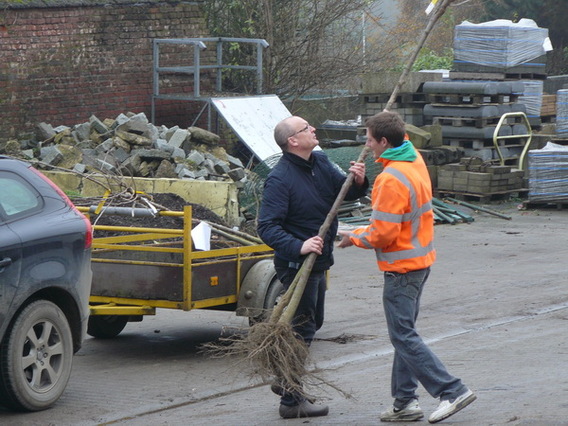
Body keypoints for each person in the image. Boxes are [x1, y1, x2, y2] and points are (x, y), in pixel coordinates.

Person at [337, 111, 476, 424]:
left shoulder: (390, 179)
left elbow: (381, 234)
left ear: (385, 142)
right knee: (405, 333)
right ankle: (404, 403)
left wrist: (354, 237)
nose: (367, 145)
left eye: (371, 140)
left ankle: (452, 391)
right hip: (419, 262)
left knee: (403, 336)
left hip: (401, 268)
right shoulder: (413, 159)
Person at [257, 115, 368, 419]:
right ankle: (291, 401)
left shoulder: (319, 161)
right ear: (293, 141)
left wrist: (358, 181)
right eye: (306, 128)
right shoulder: (280, 179)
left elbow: (343, 192)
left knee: (312, 323)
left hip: (319, 262)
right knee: (302, 330)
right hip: (297, 265)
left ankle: (284, 380)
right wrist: (299, 245)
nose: (314, 129)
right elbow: (267, 227)